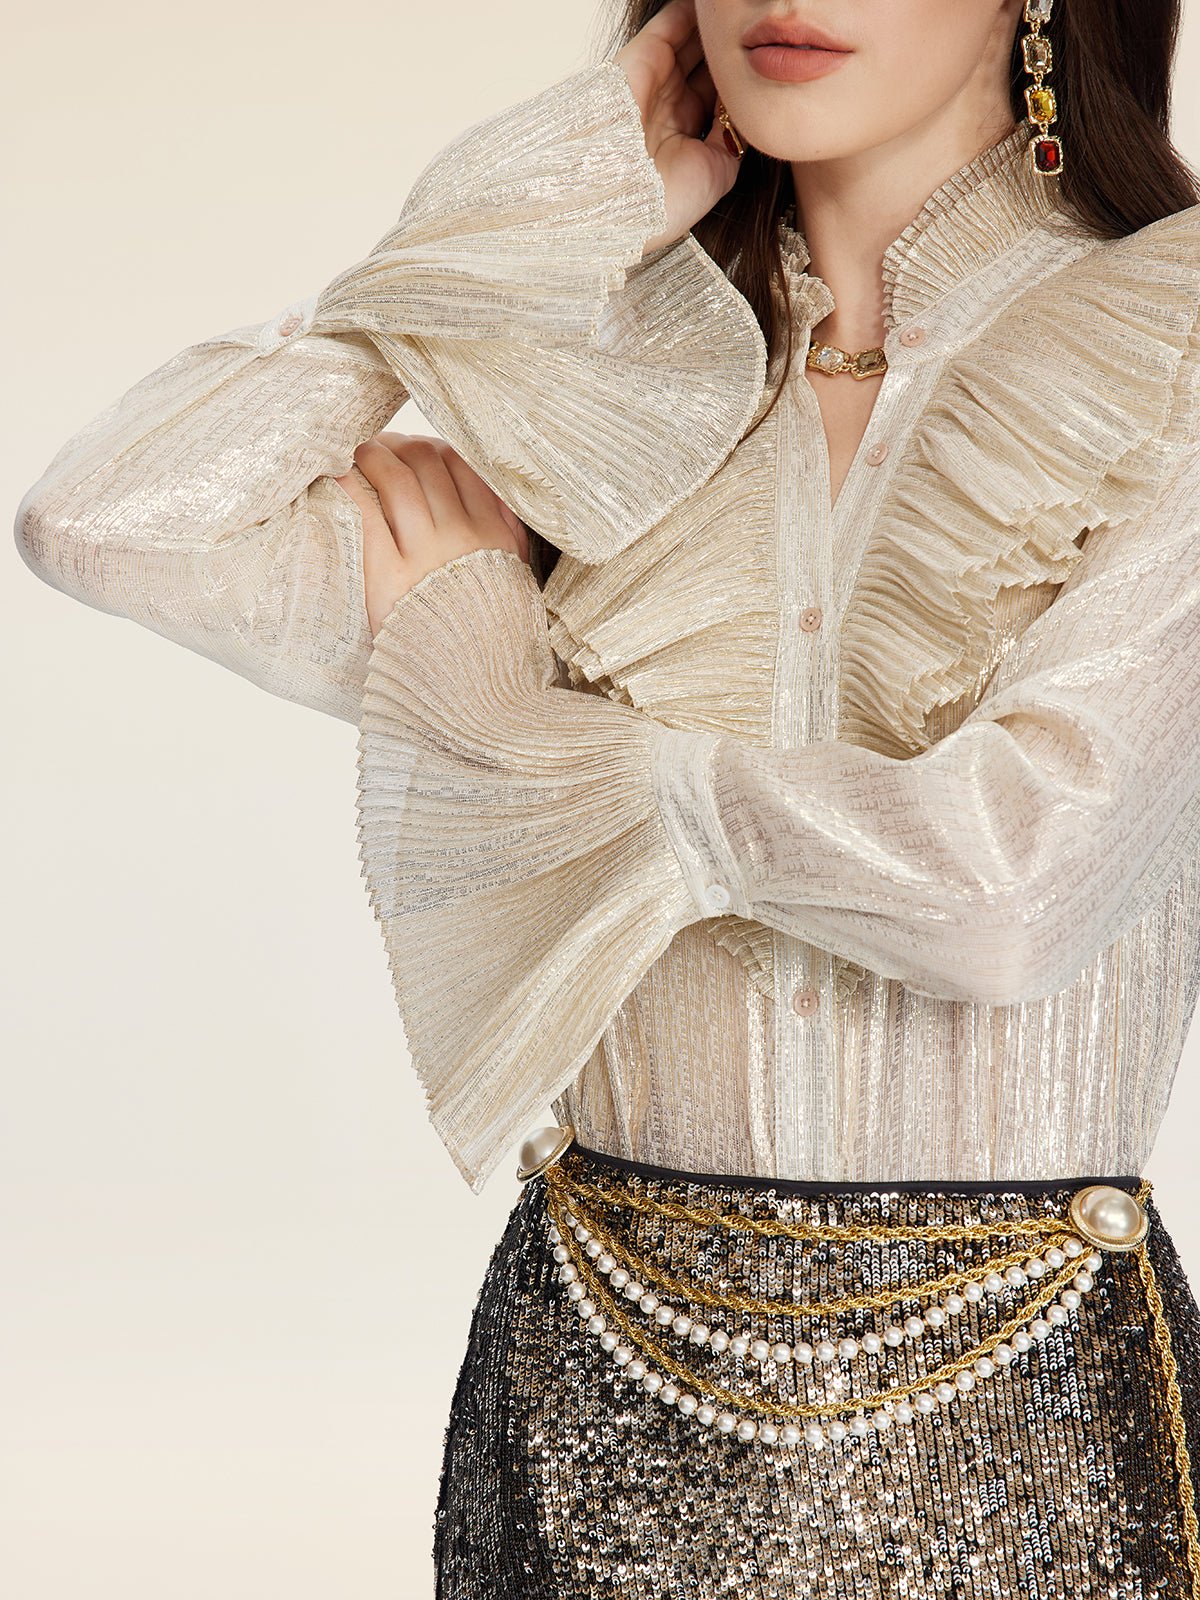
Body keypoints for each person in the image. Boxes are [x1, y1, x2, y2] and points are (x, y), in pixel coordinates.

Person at [14, 0, 1200, 1591]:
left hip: (1024, 1431)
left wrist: (526, 730)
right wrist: (500, 239)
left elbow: (1007, 886)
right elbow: (106, 525)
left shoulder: (1171, 348)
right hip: (589, 1406)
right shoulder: (594, 380)